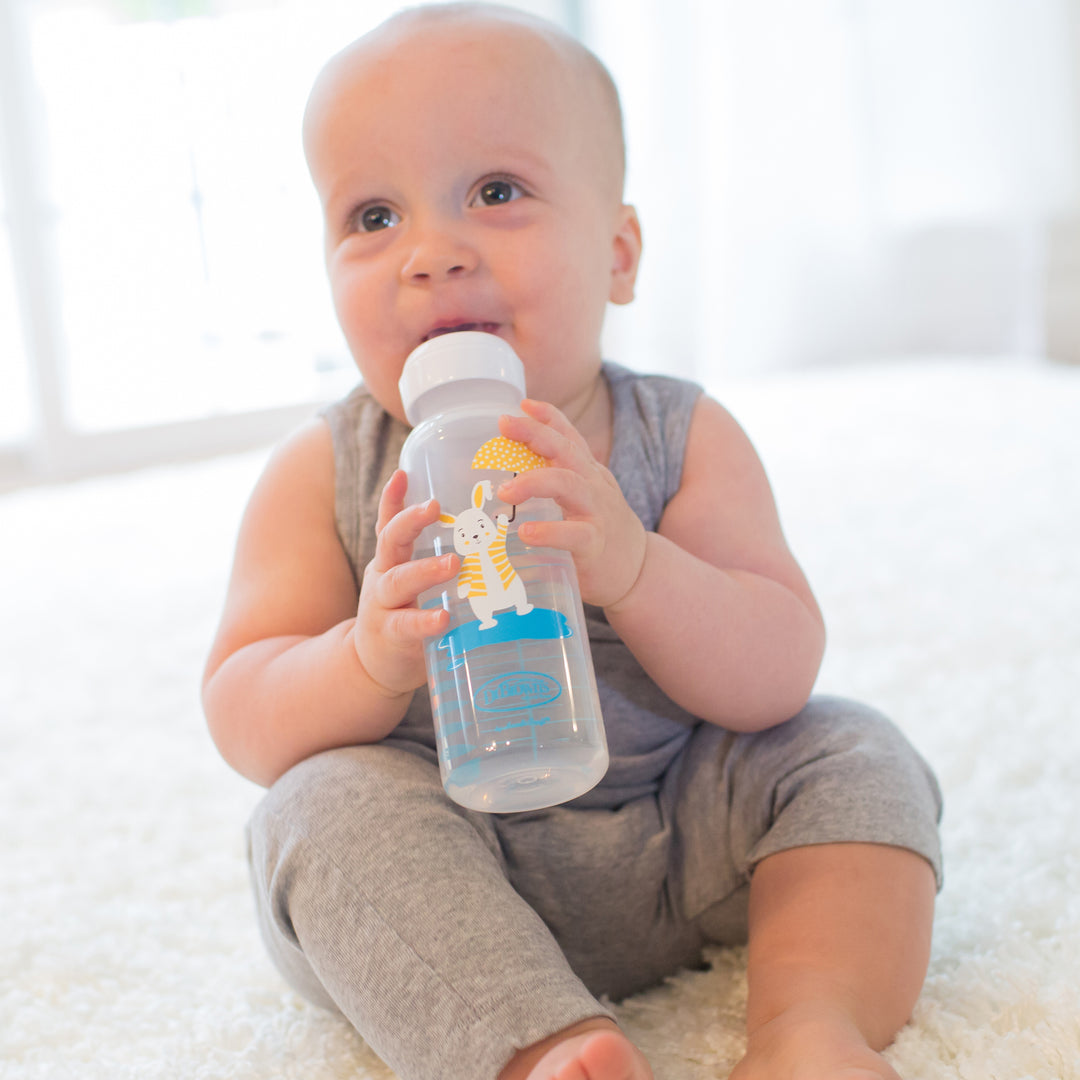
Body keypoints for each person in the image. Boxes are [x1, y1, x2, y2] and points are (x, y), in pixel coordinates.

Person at [201, 4, 943, 1079]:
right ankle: (538, 1046)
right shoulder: (326, 469)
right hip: (447, 862)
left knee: (851, 749)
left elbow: (779, 667)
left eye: (496, 194)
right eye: (372, 216)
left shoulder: (679, 437)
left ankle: (808, 1027)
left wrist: (636, 566)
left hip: (682, 830)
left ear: (619, 254)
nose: (432, 255)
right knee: (314, 811)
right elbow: (244, 708)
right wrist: (361, 659)